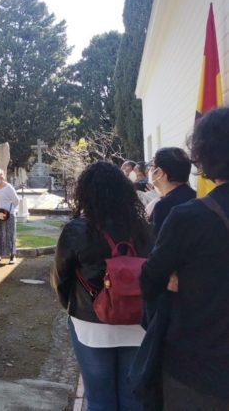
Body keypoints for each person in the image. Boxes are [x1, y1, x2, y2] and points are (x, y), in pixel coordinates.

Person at [139, 107, 229, 409]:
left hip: (198, 369)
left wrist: (173, 280)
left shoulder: (189, 216)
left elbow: (149, 280)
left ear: (203, 154)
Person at [52, 161, 152, 410]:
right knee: (132, 397)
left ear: (85, 193)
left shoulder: (77, 230)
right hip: (138, 321)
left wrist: (72, 308)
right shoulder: (145, 229)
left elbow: (61, 278)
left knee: (99, 398)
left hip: (91, 323)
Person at [130, 148, 196, 408]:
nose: (150, 171)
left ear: (162, 172)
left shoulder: (166, 206)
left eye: (154, 167)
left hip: (170, 295)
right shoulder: (197, 198)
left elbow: (156, 258)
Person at [148, 147, 195, 237]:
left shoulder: (163, 206)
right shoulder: (199, 196)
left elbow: (157, 246)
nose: (150, 171)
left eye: (153, 167)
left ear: (159, 172)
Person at [0, 169, 20, 264]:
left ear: (2, 178)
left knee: (9, 235)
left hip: (8, 214)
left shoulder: (8, 187)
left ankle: (12, 255)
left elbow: (16, 201)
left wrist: (10, 209)